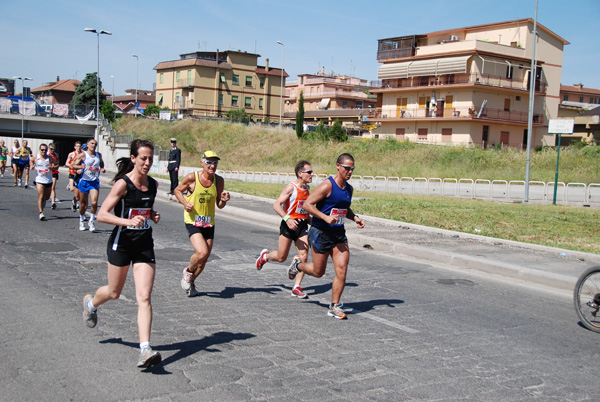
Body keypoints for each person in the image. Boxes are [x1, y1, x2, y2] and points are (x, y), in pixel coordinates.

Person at [82, 139, 162, 368]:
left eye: (150, 158)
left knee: (144, 297)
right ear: (134, 159)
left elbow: (144, 209)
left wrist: (152, 215)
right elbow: (102, 215)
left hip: (144, 245)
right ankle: (90, 304)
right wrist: (127, 222)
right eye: (143, 158)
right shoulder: (122, 184)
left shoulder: (153, 185)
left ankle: (145, 349)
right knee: (114, 292)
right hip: (122, 244)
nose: (147, 162)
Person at [288, 153, 365, 319]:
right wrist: (325, 217)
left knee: (342, 269)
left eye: (352, 169)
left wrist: (355, 217)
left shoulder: (349, 189)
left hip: (338, 234)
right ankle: (298, 266)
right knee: (318, 272)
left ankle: (334, 305)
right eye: (347, 168)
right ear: (338, 166)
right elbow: (308, 205)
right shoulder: (327, 185)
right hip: (320, 232)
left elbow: (344, 208)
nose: (350, 172)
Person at [174, 150, 230, 297]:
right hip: (193, 221)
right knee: (202, 252)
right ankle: (188, 272)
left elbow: (219, 204)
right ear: (202, 163)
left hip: (208, 223)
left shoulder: (219, 181)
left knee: (204, 259)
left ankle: (191, 282)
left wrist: (223, 199)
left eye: (215, 163)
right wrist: (185, 203)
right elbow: (177, 190)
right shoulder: (192, 178)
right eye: (209, 162)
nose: (212, 166)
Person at [255, 160, 313, 298]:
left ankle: (297, 286)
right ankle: (265, 256)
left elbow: (304, 211)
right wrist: (287, 219)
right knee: (281, 257)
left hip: (302, 225)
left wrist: (317, 221)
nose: (312, 175)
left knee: (304, 256)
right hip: (288, 225)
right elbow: (276, 205)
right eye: (309, 172)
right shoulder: (291, 188)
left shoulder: (308, 189)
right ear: (300, 174)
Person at [71, 139, 106, 232]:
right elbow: (72, 165)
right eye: (92, 143)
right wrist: (79, 167)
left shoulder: (99, 155)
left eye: (95, 144)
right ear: (87, 145)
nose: (93, 145)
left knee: (94, 202)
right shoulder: (83, 155)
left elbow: (101, 162)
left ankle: (91, 221)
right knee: (83, 204)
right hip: (84, 181)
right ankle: (81, 219)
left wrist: (102, 168)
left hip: (94, 182)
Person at [29, 143, 57, 221]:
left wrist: (53, 167)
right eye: (42, 150)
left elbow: (57, 164)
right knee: (40, 195)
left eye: (45, 150)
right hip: (39, 180)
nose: (44, 151)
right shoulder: (36, 157)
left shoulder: (50, 158)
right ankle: (41, 213)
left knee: (47, 197)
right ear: (39, 150)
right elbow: (31, 161)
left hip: (48, 180)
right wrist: (31, 165)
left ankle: (44, 201)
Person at [65, 141, 83, 212]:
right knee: (72, 189)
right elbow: (66, 163)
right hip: (72, 173)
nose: (78, 148)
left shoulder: (82, 155)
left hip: (78, 174)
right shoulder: (72, 154)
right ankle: (70, 184)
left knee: (78, 196)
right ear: (75, 147)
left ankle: (74, 201)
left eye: (79, 146)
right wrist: (71, 166)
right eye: (77, 146)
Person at [48, 143, 59, 210]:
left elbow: (58, 164)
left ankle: (53, 202)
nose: (53, 150)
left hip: (54, 172)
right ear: (49, 149)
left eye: (54, 149)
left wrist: (54, 167)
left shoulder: (56, 155)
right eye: (51, 149)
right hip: (47, 173)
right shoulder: (47, 155)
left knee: (53, 187)